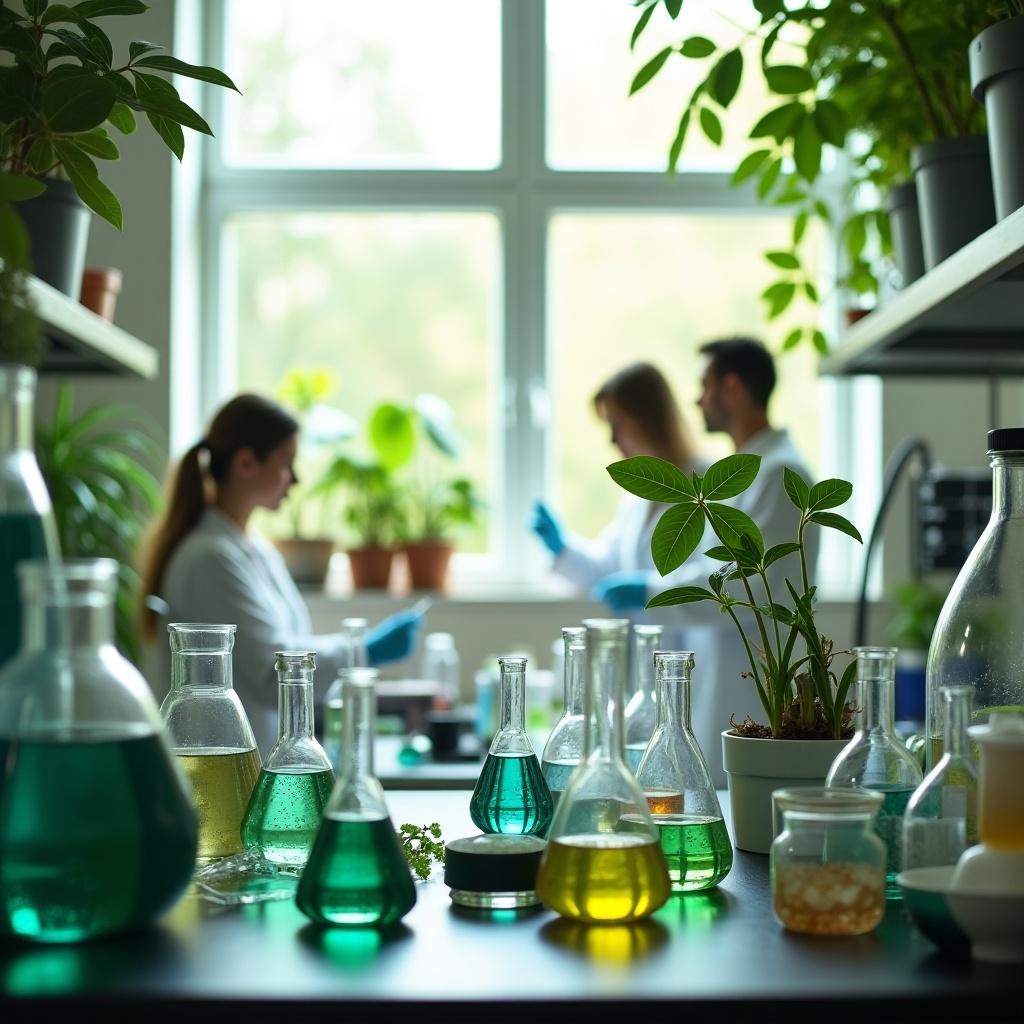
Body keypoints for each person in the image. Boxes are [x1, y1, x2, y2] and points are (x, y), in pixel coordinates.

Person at [534, 340, 818, 787]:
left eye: (704, 385)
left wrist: (649, 591)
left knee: (734, 821)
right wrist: (562, 549)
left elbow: (746, 588)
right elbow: (631, 570)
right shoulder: (743, 475)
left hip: (743, 687)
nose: (696, 400)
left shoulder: (779, 476)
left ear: (732, 388)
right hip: (700, 686)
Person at [139, 394, 424, 754]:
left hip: (256, 755)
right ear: (246, 462)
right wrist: (364, 650)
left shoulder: (251, 548)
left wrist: (359, 652)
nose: (295, 479)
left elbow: (286, 647)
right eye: (287, 462)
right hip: (221, 768)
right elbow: (270, 675)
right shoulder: (210, 559)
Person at [529, 359, 708, 617]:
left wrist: (649, 591)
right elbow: (609, 569)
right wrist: (561, 547)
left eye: (617, 425)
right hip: (646, 650)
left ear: (648, 419)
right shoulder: (639, 496)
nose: (612, 439)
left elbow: (716, 582)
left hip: (695, 653)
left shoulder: (707, 487)